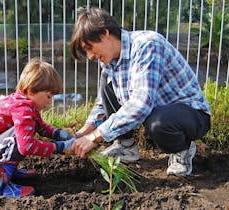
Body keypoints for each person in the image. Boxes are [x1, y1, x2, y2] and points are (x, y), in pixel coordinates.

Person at [70, 7, 211, 176]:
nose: (91, 56)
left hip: (190, 115)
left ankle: (182, 149)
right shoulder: (109, 60)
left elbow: (141, 104)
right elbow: (103, 102)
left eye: (90, 47)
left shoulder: (147, 45)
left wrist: (95, 137)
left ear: (105, 34)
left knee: (157, 122)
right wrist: (84, 132)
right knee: (106, 84)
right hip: (155, 111)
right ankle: (126, 146)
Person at [0, 58, 76, 198]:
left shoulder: (23, 102)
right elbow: (26, 146)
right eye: (48, 96)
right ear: (31, 91)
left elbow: (39, 126)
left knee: (24, 131)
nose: (50, 102)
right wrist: (59, 147)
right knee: (19, 138)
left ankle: (7, 174)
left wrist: (58, 133)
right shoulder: (22, 109)